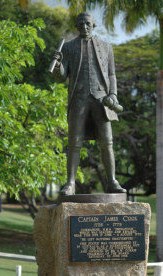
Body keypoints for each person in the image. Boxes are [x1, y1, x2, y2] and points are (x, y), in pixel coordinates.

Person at [53, 12, 126, 195]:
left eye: (87, 24)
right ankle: (70, 183)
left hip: (101, 100)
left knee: (107, 142)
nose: (84, 27)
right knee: (74, 142)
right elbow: (61, 78)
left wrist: (113, 94)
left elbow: (111, 75)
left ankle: (112, 181)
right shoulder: (69, 48)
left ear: (93, 25)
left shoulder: (106, 47)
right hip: (78, 99)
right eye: (80, 24)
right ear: (76, 27)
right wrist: (58, 65)